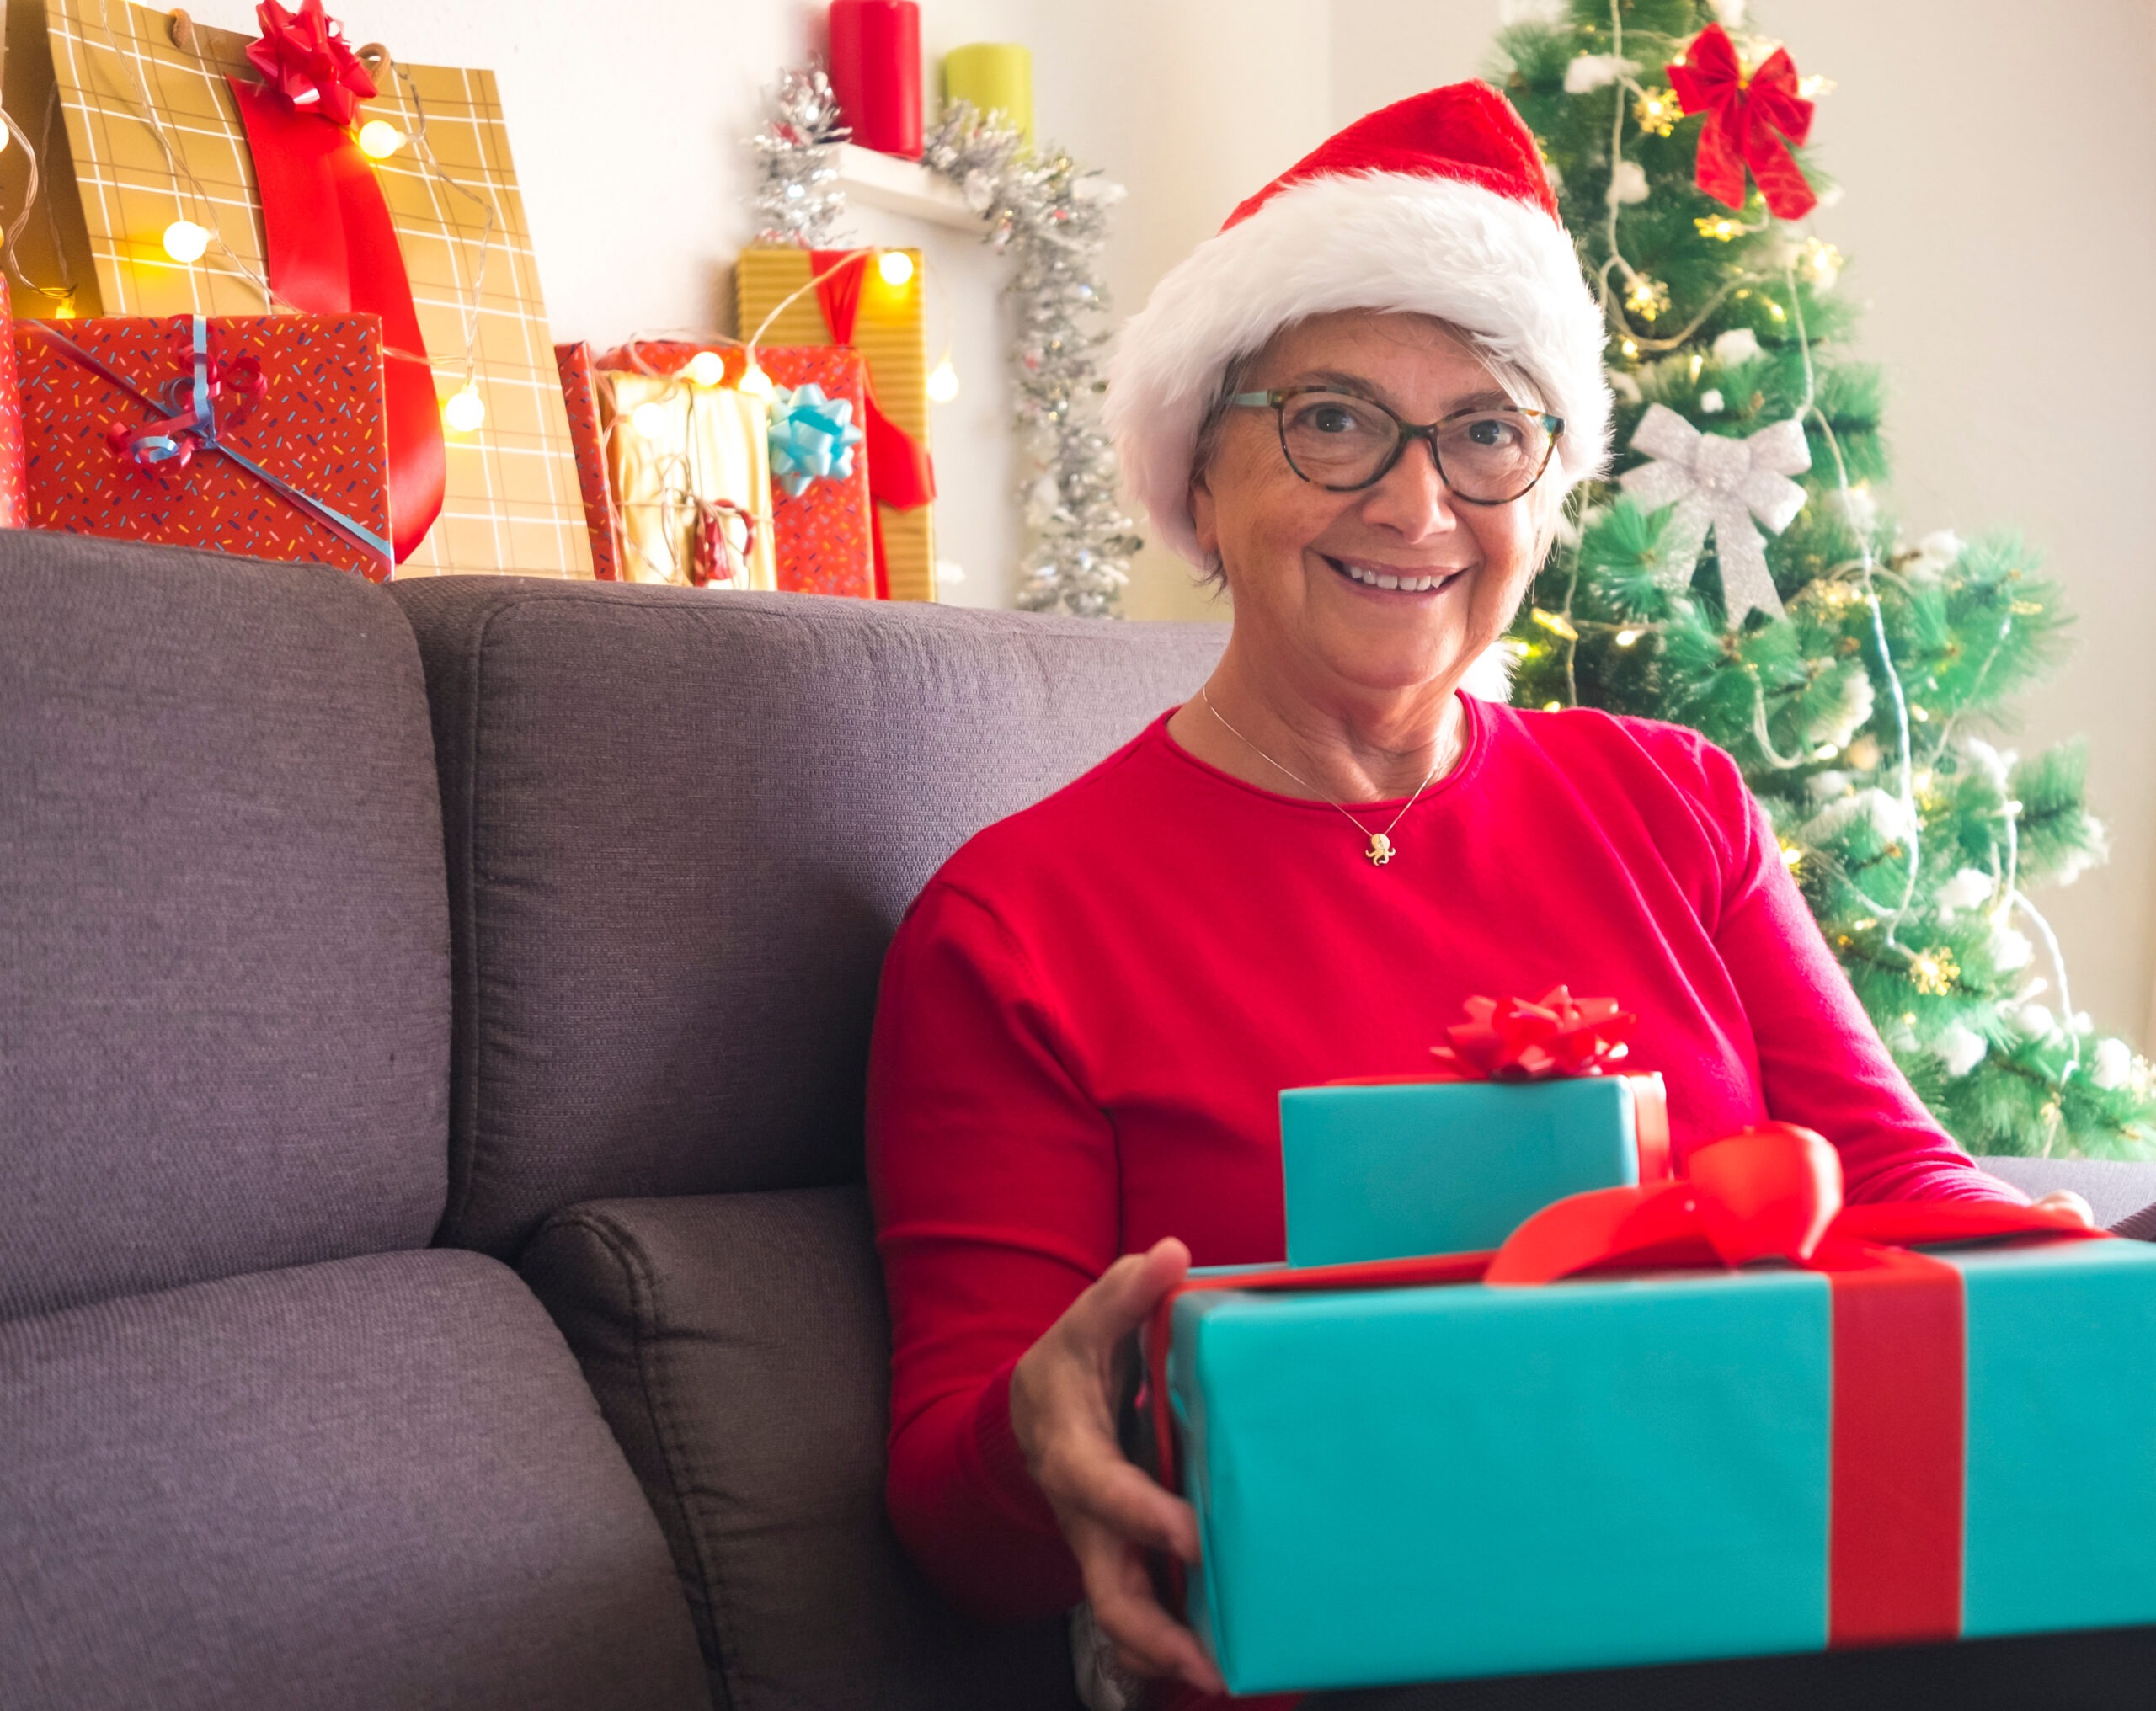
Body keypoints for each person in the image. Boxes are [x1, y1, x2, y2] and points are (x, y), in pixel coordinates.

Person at [864, 83, 2090, 1710]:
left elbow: (1895, 1178)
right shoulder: (1014, 923)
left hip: (1745, 1585)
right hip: (1362, 1644)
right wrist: (1044, 1430)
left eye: (1488, 432)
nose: (1416, 503)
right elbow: (960, 1506)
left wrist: (2086, 1280)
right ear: (1200, 475)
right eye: (1334, 420)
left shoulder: (1674, 801)